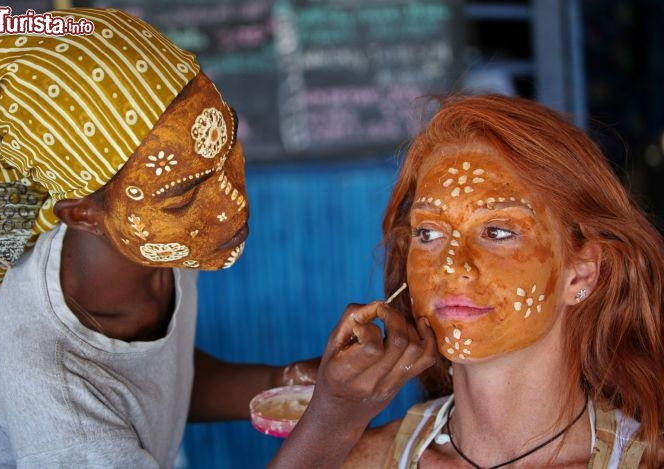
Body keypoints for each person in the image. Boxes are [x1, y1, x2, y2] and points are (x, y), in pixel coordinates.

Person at [0, 8, 316, 467]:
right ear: (81, 214)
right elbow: (98, 406)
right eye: (181, 198)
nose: (229, 204)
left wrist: (292, 381)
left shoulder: (155, 241)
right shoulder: (51, 387)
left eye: (229, 146)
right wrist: (335, 415)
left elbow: (152, 388)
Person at [271, 94, 664, 468]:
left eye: (497, 232)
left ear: (581, 272)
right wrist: (328, 421)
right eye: (429, 234)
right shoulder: (360, 460)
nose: (451, 266)